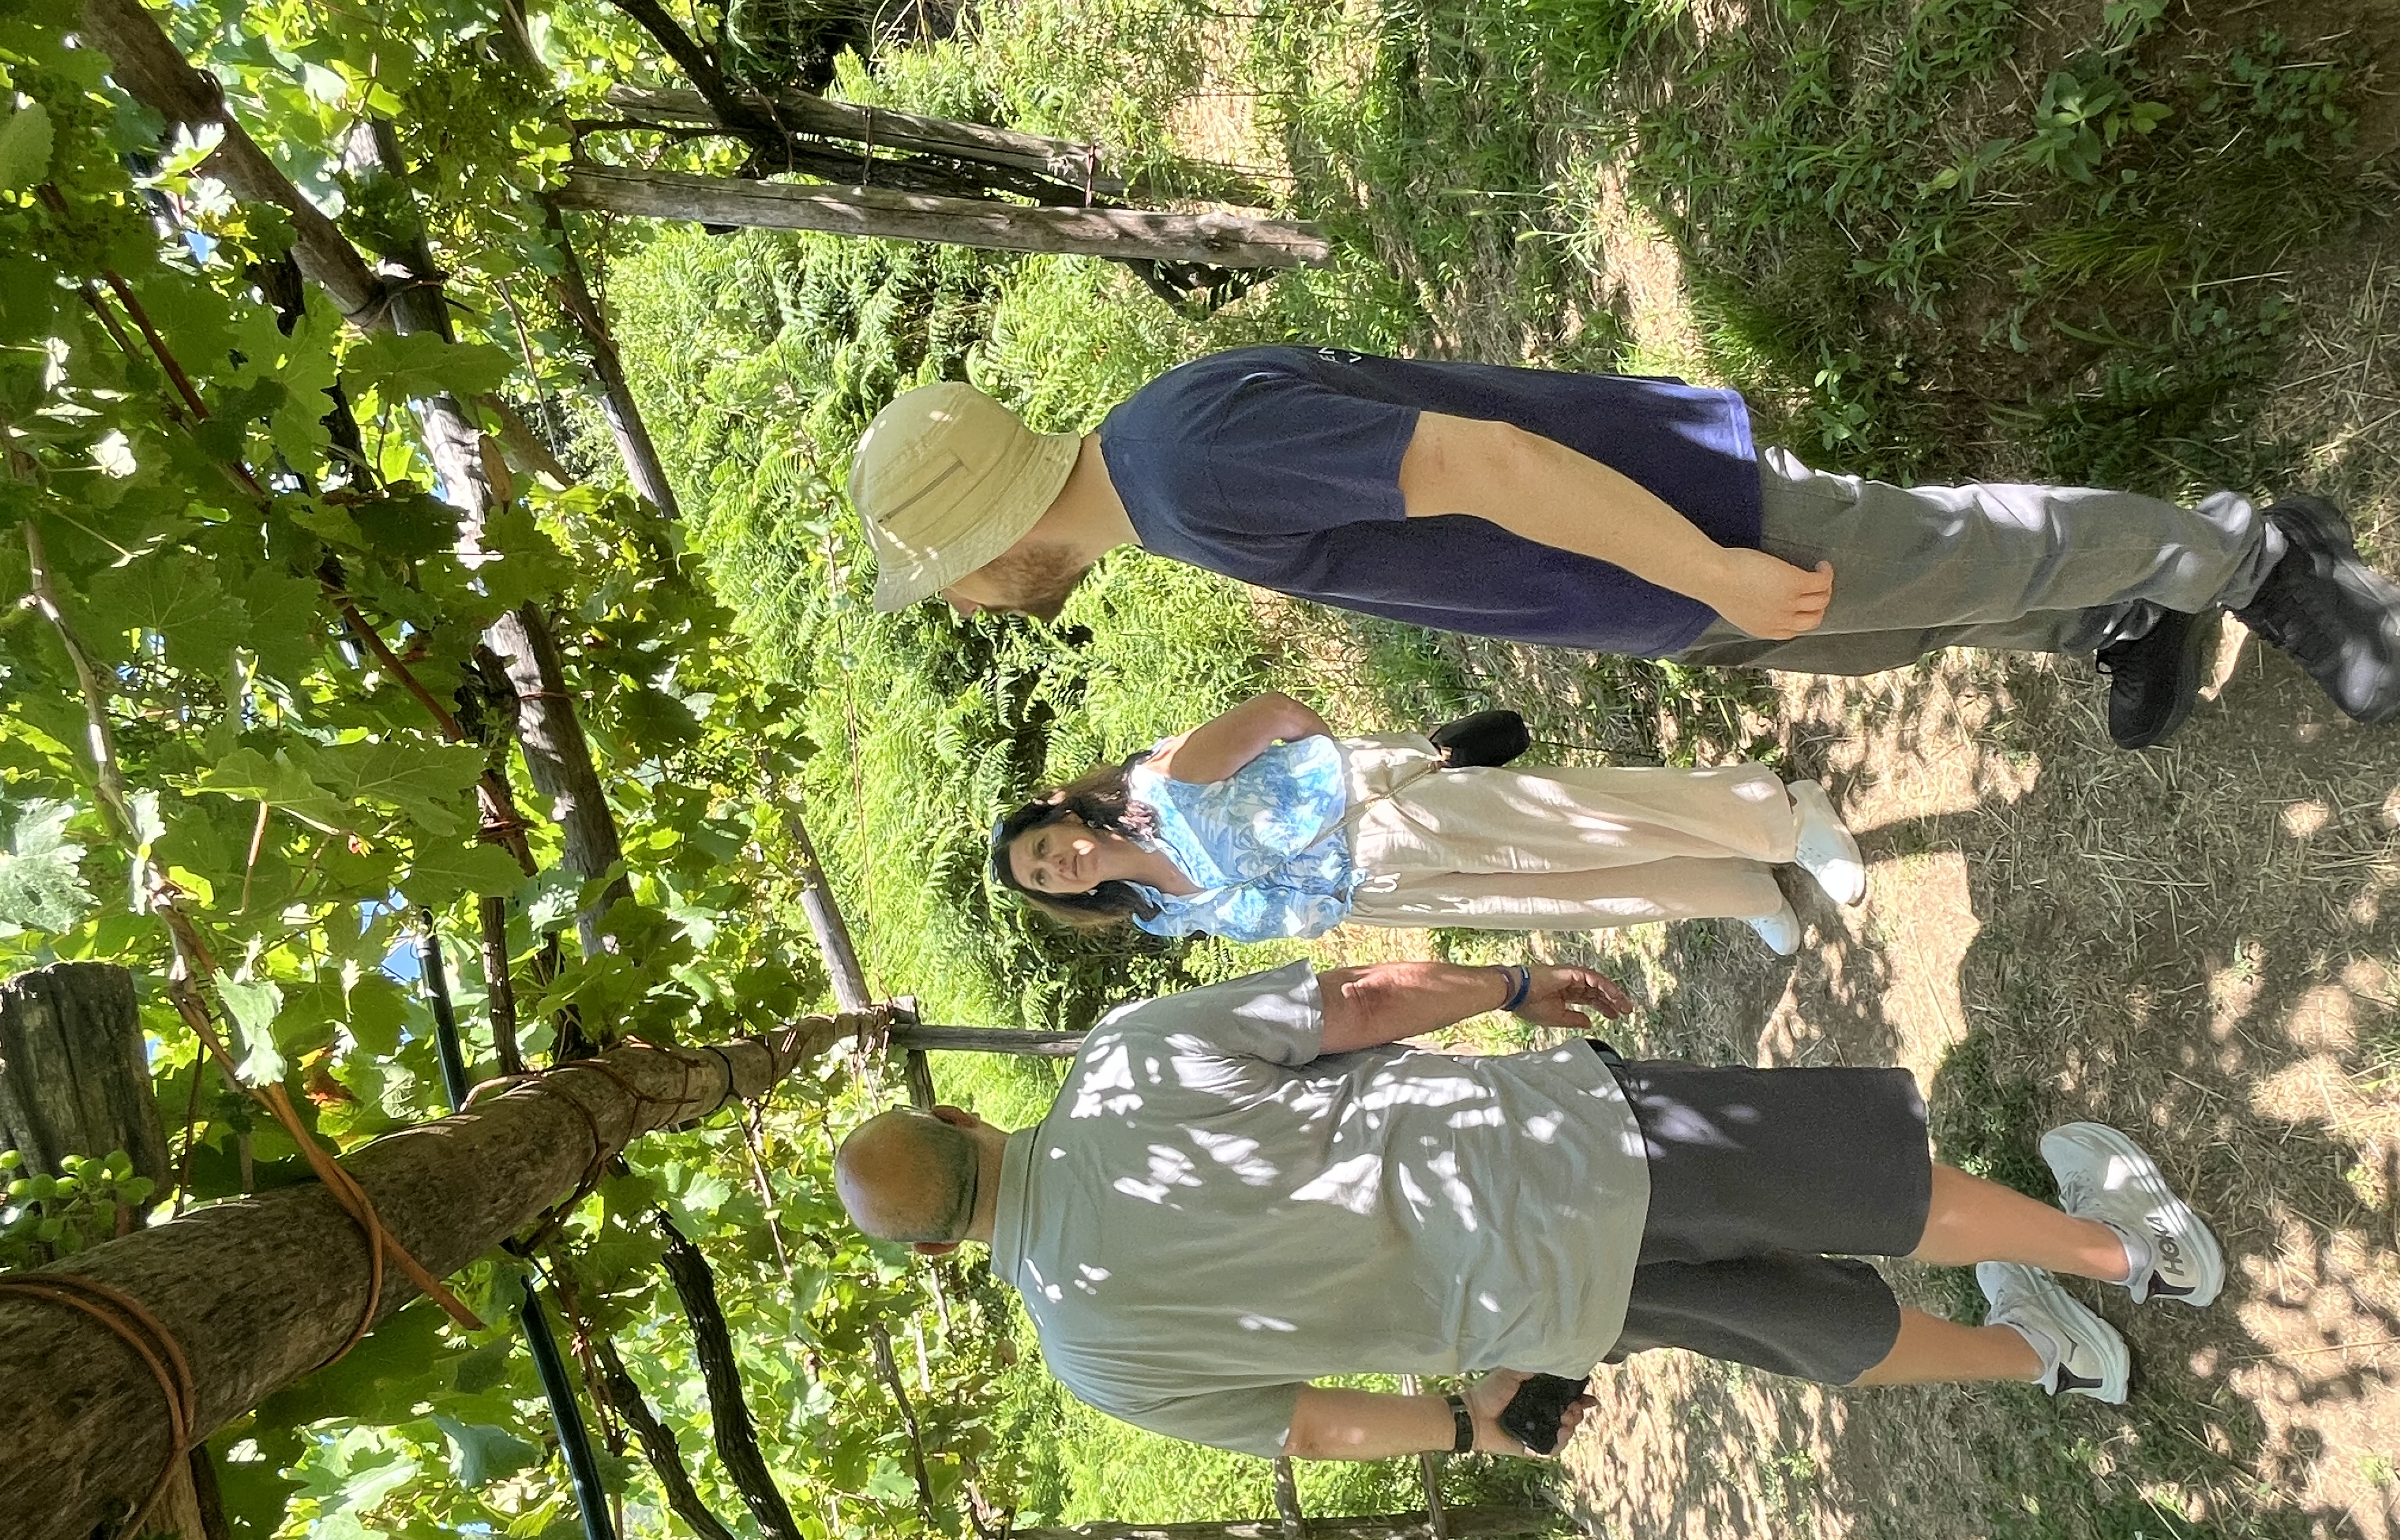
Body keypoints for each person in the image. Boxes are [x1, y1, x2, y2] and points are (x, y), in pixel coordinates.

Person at [832, 959, 2226, 1460]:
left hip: (1544, 1310)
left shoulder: (1095, 1362)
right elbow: (1356, 1004)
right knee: (1850, 1186)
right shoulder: (1125, 1060)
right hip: (1554, 1149)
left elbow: (1312, 1423)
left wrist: (1475, 1419)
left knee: (1780, 1326)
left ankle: (2048, 1358)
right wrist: (1509, 987)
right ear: (961, 1118)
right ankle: (2122, 1251)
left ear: (945, 1254)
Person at [843, 349, 2400, 751]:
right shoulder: (1162, 441)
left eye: (946, 578)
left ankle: (2254, 555)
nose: (969, 606)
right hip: (1649, 572)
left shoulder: (1186, 477)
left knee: (1947, 554)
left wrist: (1711, 568)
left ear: (984, 530)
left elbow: (1479, 458)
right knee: (1907, 617)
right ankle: (2124, 623)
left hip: (1678, 528)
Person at [988, 690, 1865, 955]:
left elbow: (1279, 714)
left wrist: (1371, 780)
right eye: (1041, 879)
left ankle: (1784, 818)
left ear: (1060, 810)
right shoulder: (1161, 913)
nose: (1055, 865)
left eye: (1041, 848)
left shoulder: (1165, 783)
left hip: (1379, 818)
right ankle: (1736, 885)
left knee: (1584, 824)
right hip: (1375, 897)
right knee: (1578, 896)